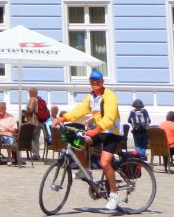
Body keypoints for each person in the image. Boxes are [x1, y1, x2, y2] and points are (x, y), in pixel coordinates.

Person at [52, 69, 123, 212]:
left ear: (102, 82)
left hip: (112, 133)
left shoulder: (109, 96)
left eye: (98, 81)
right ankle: (86, 171)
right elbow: (79, 111)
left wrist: (96, 130)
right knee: (77, 143)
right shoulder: (91, 97)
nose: (95, 83)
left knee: (104, 162)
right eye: (92, 81)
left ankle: (114, 195)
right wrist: (62, 118)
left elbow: (109, 118)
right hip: (99, 131)